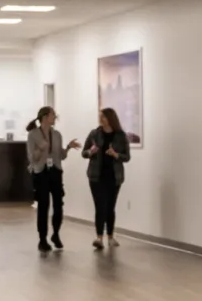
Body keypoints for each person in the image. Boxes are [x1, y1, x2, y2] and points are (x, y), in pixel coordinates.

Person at [26, 106, 80, 252]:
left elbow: (61, 155)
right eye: (53, 115)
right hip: (41, 173)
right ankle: (42, 239)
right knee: (43, 206)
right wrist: (40, 149)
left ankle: (56, 234)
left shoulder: (57, 135)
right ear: (45, 117)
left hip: (55, 172)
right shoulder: (33, 135)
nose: (55, 117)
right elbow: (32, 158)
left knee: (58, 205)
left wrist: (68, 147)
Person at [81, 108, 131, 250]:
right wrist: (91, 152)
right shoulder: (94, 134)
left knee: (110, 207)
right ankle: (99, 237)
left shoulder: (121, 136)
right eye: (100, 116)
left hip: (114, 177)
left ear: (110, 118)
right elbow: (84, 153)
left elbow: (127, 157)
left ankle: (110, 236)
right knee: (100, 207)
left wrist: (116, 155)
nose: (101, 119)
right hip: (96, 176)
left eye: (103, 116)